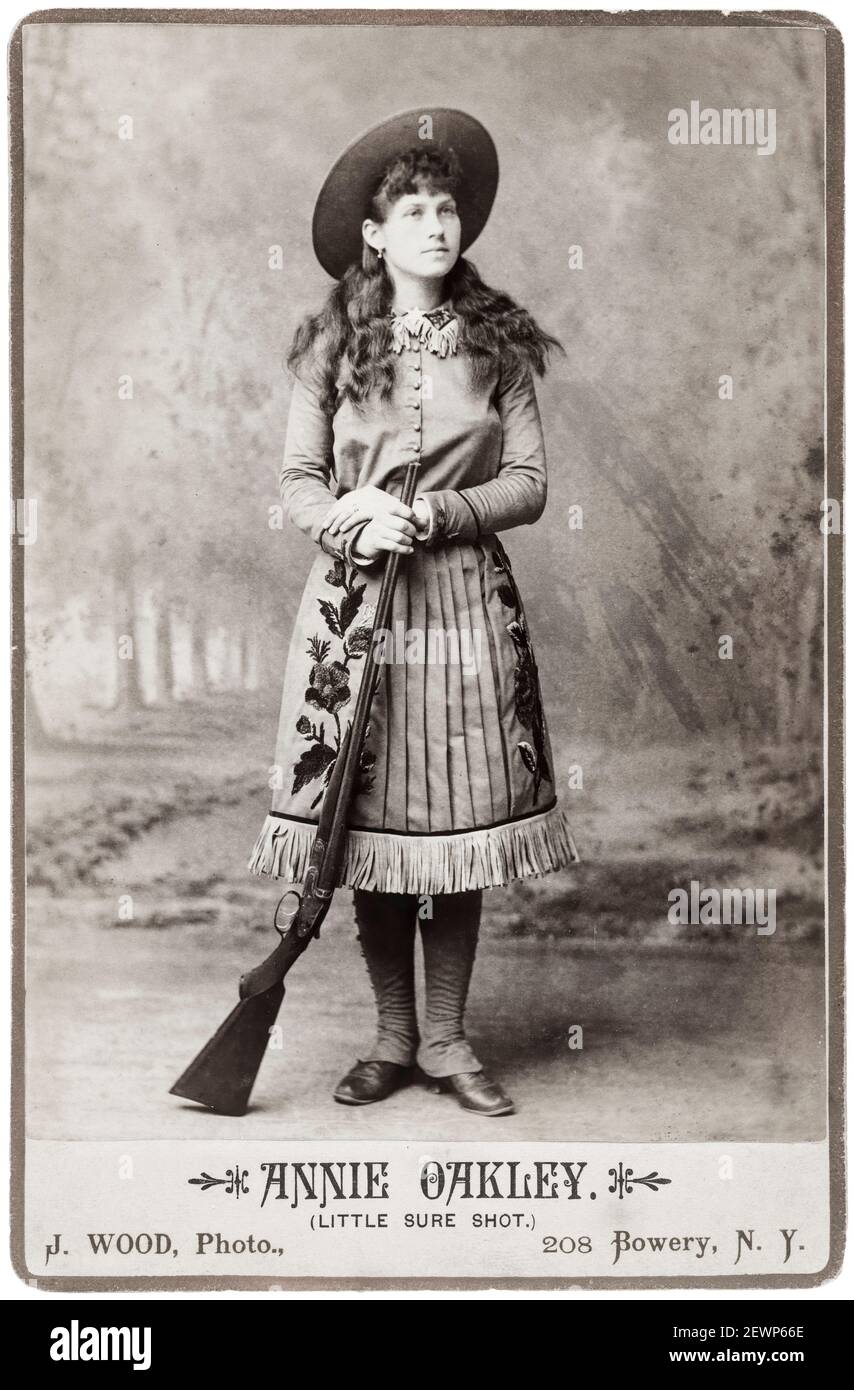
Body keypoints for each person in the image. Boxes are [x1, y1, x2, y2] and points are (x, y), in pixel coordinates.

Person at [248, 107, 579, 1117]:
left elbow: (526, 483)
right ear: (375, 234)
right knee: (371, 821)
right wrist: (350, 518)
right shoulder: (329, 349)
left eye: (447, 208)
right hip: (354, 617)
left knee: (450, 828)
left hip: (464, 607)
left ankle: (445, 1040)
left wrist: (433, 510)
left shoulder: (498, 348)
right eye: (414, 210)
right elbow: (298, 483)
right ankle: (391, 1037)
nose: (436, 225)